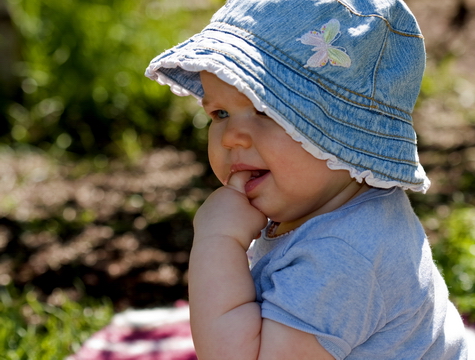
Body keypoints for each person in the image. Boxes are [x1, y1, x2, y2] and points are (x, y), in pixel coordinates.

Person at [145, 0, 469, 358]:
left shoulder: (340, 256)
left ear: (345, 135)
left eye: (266, 110)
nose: (231, 136)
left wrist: (216, 240)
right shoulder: (343, 207)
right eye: (220, 113)